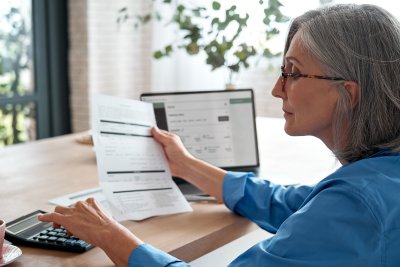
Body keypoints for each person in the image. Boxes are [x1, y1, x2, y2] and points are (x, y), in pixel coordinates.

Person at [39, 4, 400, 267]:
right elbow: (290, 204)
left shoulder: (356, 206)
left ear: (347, 93)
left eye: (293, 72)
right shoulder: (379, 180)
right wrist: (189, 166)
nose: (277, 89)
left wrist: (108, 233)